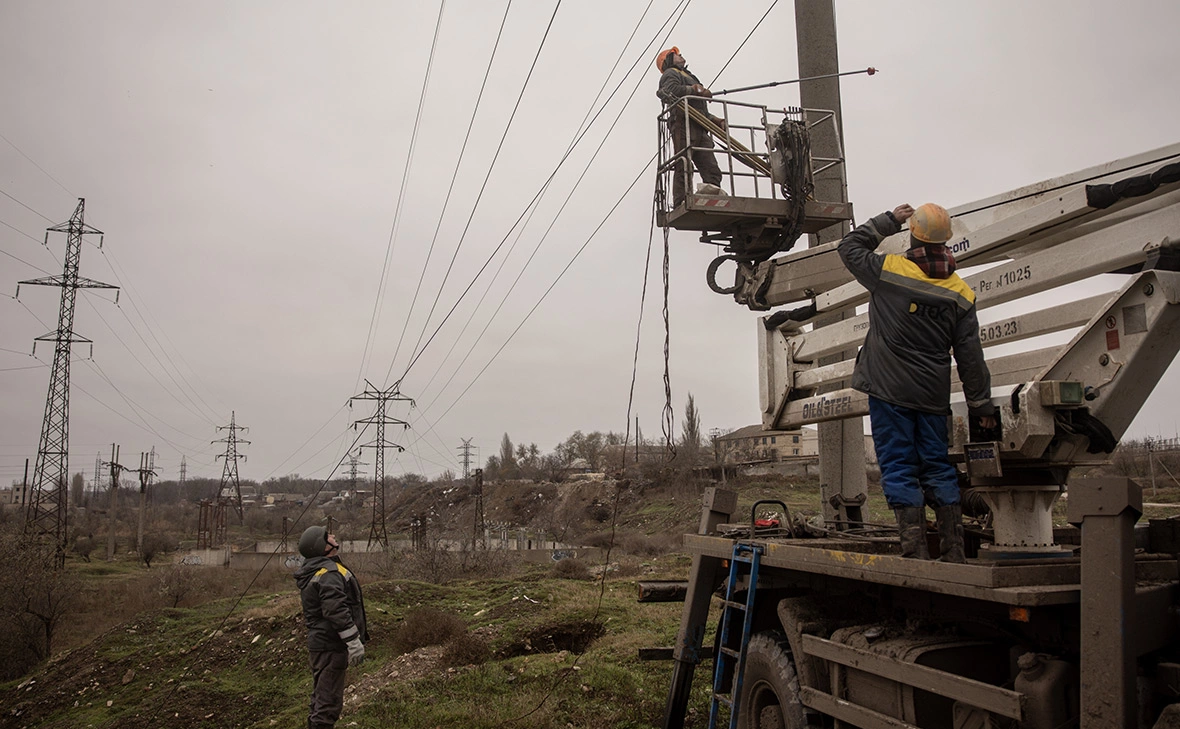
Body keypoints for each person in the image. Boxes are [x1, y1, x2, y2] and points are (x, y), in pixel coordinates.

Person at [837, 203, 997, 563]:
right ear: (947, 241)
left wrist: (888, 220)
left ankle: (916, 552)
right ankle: (954, 551)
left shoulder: (888, 271)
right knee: (937, 466)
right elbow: (970, 355)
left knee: (898, 466)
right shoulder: (960, 293)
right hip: (932, 396)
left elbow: (848, 247)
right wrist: (981, 406)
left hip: (889, 390)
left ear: (913, 235)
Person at [295, 526, 369, 729]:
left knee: (320, 698)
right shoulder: (329, 573)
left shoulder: (320, 569)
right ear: (323, 546)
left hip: (322, 645)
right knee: (328, 704)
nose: (334, 536)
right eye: (328, 536)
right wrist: (353, 640)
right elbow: (335, 610)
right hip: (331, 646)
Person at [655, 46, 727, 207]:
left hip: (699, 125)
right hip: (683, 124)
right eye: (676, 55)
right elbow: (669, 91)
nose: (681, 56)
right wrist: (694, 89)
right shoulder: (670, 74)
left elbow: (697, 108)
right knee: (684, 163)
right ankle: (681, 200)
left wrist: (715, 120)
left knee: (711, 166)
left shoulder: (690, 76)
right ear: (668, 60)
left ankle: (714, 195)